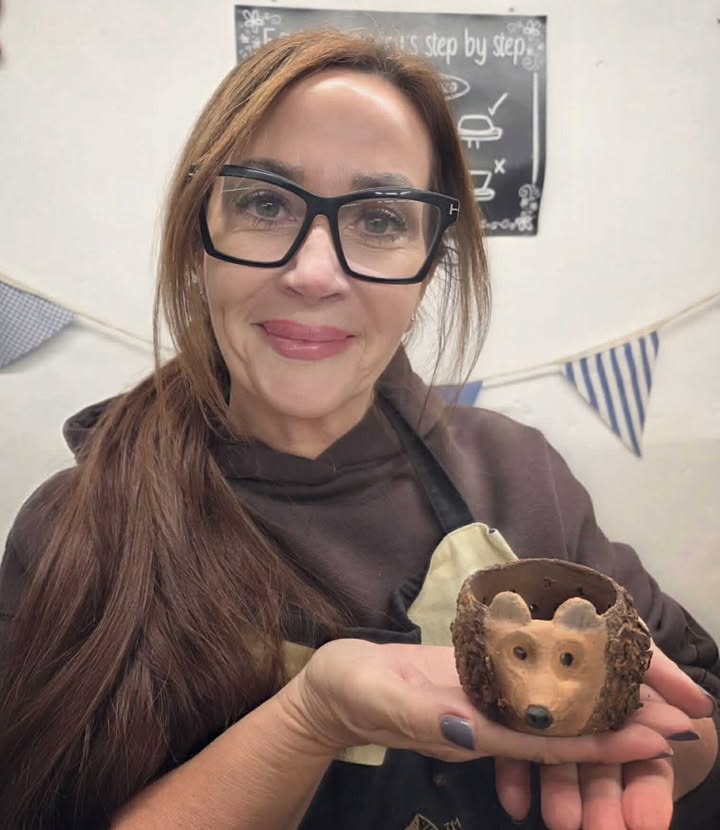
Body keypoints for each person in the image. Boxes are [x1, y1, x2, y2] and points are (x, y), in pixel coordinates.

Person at [0, 30, 717, 830]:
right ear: (199, 240)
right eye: (265, 204)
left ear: (428, 268)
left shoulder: (520, 476)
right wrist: (310, 720)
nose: (313, 273)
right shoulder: (74, 527)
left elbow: (696, 699)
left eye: (380, 218)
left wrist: (647, 752)